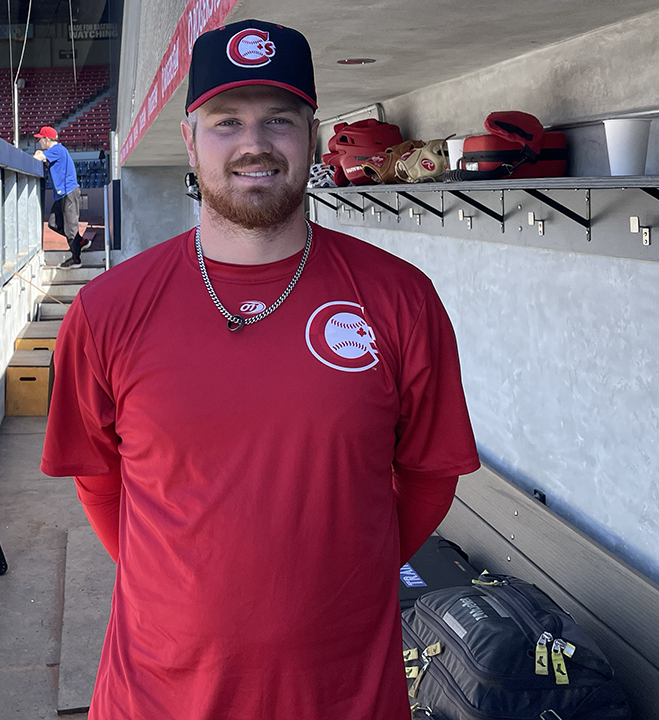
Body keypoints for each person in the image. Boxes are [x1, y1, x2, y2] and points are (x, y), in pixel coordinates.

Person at [41, 19, 480, 720]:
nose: (254, 143)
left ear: (311, 137)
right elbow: (99, 480)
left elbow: (431, 474)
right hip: (157, 694)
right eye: (226, 121)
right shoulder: (108, 309)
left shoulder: (399, 298)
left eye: (279, 120)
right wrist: (178, 592)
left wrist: (343, 575)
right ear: (189, 138)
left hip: (343, 694)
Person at [33, 126, 87, 268]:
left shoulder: (57, 149)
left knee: (70, 228)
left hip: (69, 191)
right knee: (53, 223)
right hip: (62, 193)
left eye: (40, 139)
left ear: (46, 139)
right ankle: (79, 242)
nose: (39, 142)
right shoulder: (56, 151)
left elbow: (38, 157)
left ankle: (76, 259)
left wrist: (39, 154)